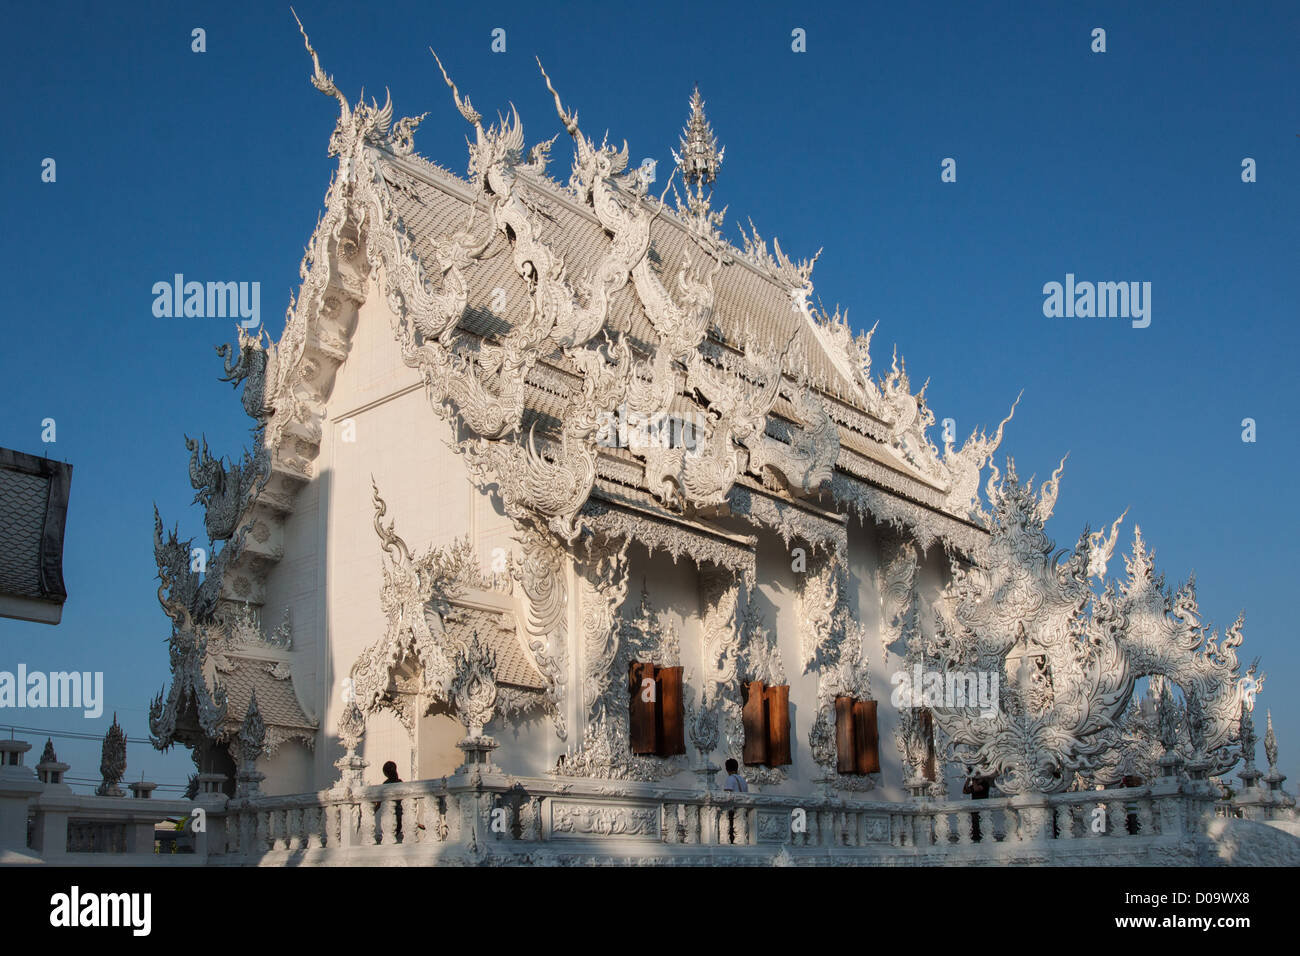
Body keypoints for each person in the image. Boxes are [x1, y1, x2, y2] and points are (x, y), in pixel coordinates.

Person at [722, 758, 748, 845]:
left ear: (727, 769)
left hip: (733, 810)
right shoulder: (743, 780)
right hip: (743, 809)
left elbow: (727, 795)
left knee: (731, 833)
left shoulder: (730, 779)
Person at [381, 761, 403, 842]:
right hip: (399, 815)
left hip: (390, 815)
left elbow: (379, 804)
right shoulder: (400, 782)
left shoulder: (385, 784)